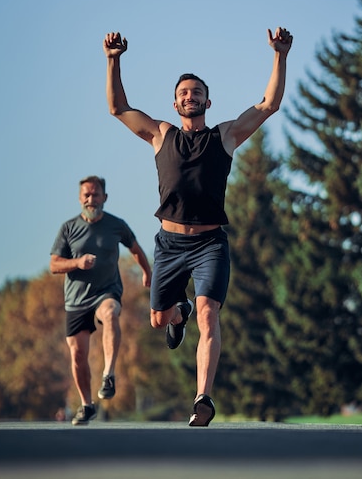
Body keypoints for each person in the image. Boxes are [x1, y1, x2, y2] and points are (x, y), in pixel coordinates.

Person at [104, 27, 293, 427]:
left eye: (196, 92)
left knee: (210, 316)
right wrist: (113, 60)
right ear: (175, 103)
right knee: (159, 318)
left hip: (210, 244)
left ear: (208, 101)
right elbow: (118, 108)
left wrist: (280, 55)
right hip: (169, 245)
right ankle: (177, 314)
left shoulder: (225, 136)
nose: (190, 96)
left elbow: (268, 104)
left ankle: (203, 398)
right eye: (184, 93)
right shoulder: (160, 134)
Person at [50, 175, 152, 426]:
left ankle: (108, 374)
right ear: (79, 198)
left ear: (105, 198)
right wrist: (77, 262)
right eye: (86, 194)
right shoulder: (68, 228)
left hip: (107, 290)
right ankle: (86, 405)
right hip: (76, 299)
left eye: (96, 194)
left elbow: (136, 249)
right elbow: (54, 264)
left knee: (110, 313)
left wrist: (148, 273)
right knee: (78, 355)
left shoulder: (116, 225)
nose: (91, 199)